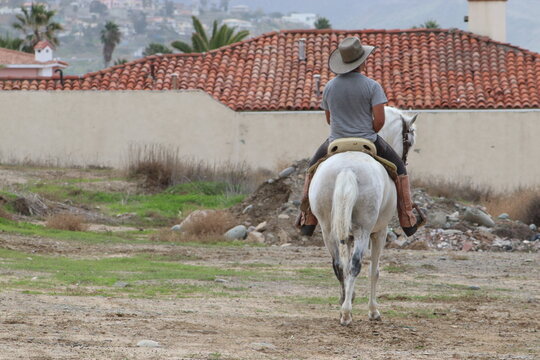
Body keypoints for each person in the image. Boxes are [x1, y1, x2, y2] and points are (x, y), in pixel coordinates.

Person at [296, 36, 426, 237]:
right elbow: (380, 121)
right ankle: (408, 219)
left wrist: (344, 128)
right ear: (361, 62)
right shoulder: (372, 86)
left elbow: (329, 119)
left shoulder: (330, 86)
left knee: (312, 169)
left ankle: (307, 220)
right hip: (368, 140)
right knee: (400, 169)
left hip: (335, 141)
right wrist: (366, 130)